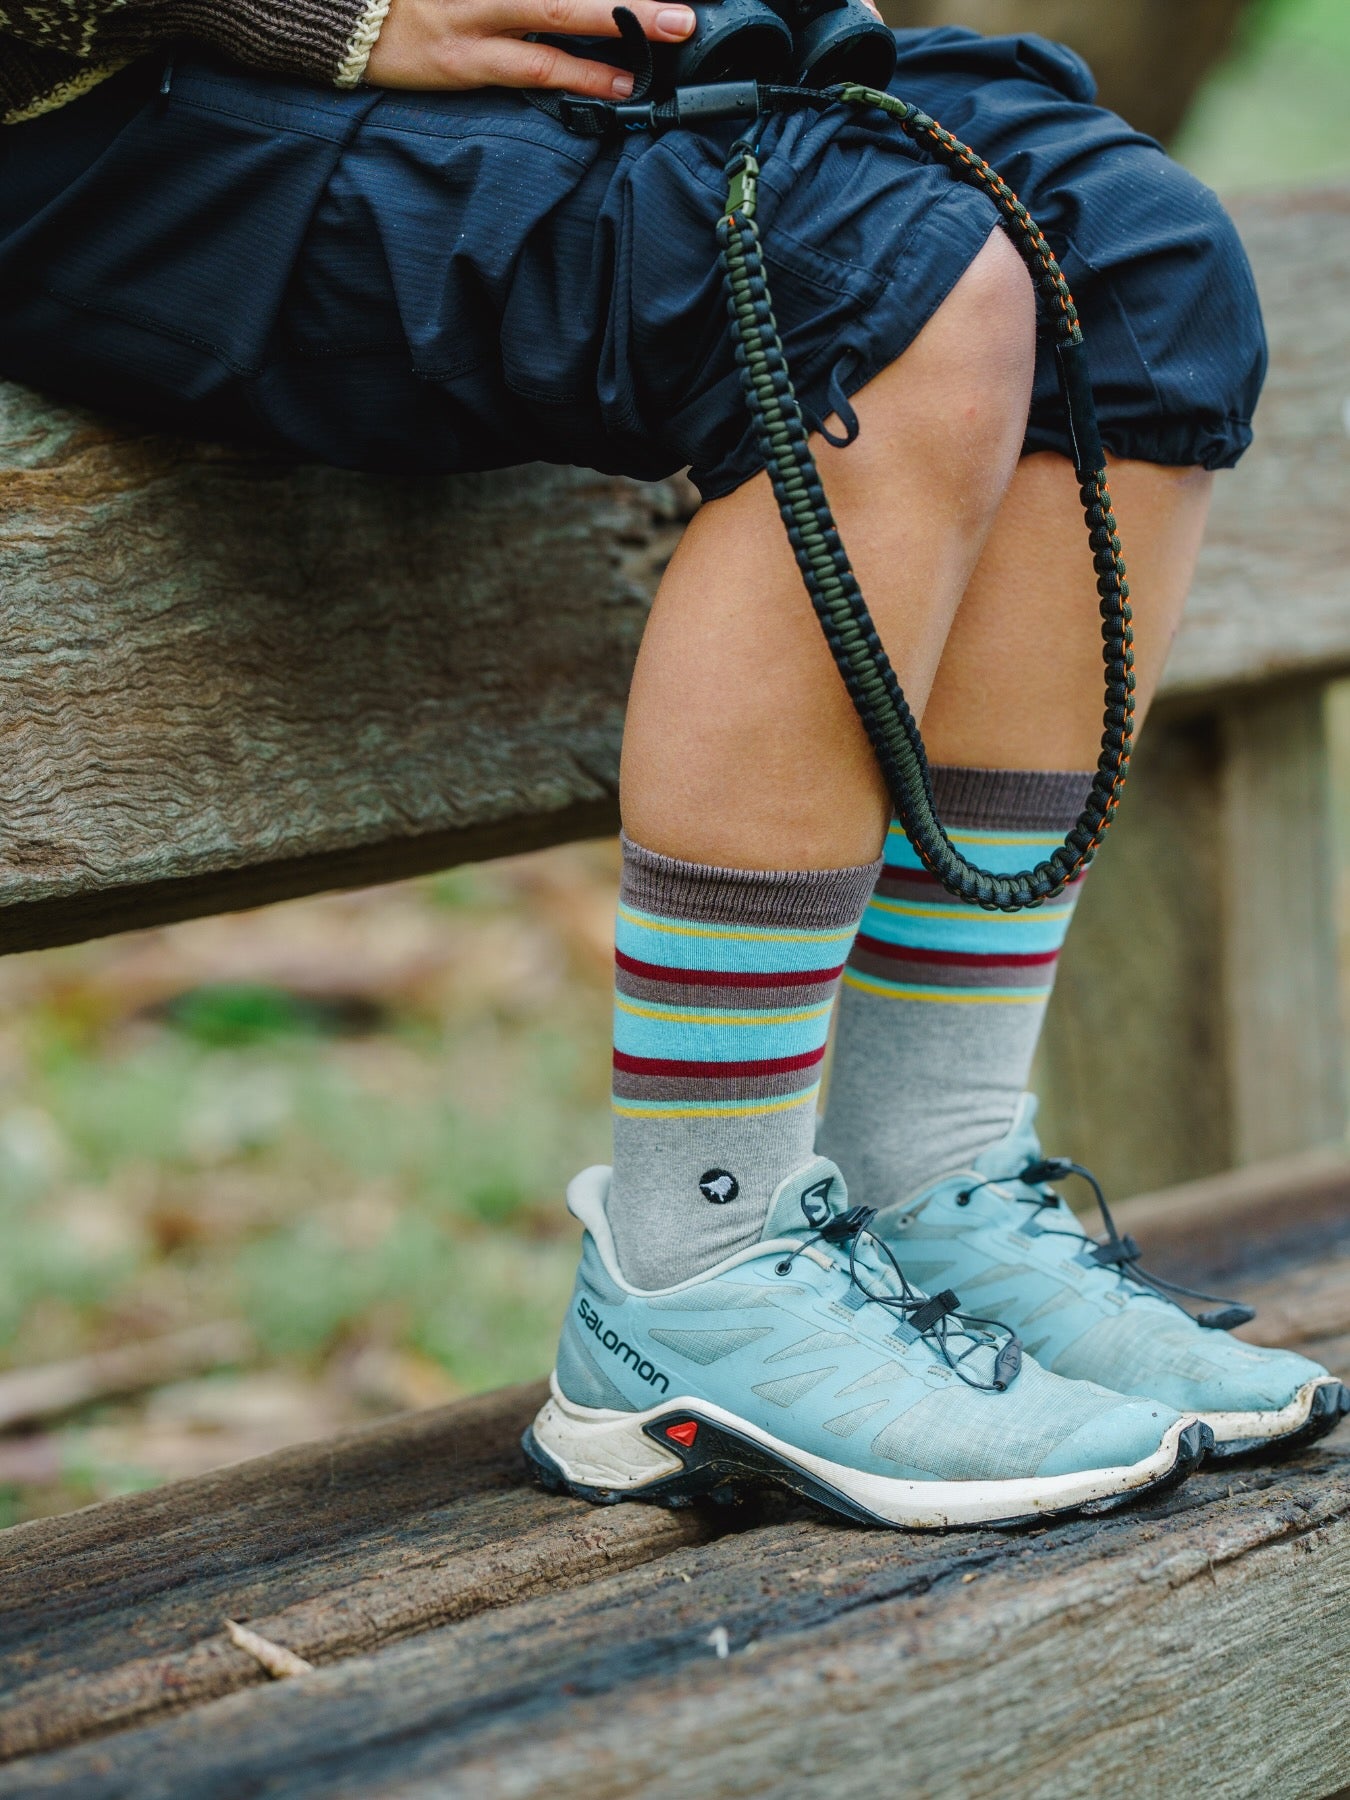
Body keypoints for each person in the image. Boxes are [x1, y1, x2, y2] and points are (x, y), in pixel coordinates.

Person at [3, 0, 1342, 1530]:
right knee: (874, 278)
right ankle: (691, 1276)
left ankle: (926, 1185)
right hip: (89, 99)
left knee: (1132, 266)